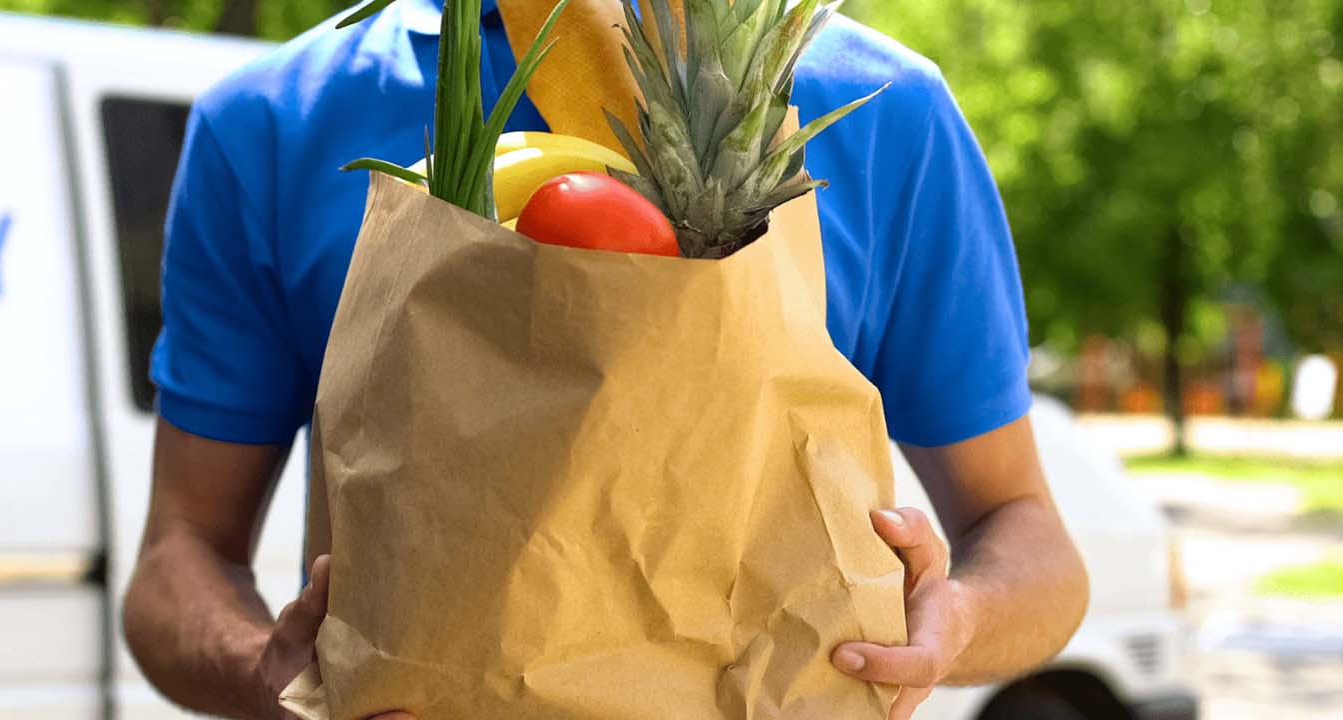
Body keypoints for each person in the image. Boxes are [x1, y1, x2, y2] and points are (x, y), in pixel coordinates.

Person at [121, 0, 1090, 718]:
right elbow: (178, 560)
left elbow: (1030, 537)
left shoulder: (885, 112)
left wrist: (951, 622)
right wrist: (270, 669)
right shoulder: (270, 123)